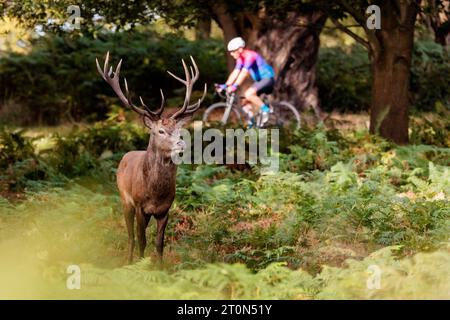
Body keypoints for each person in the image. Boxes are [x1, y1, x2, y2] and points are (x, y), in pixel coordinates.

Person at [217, 37, 275, 127]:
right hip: (260, 80)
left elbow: (243, 73)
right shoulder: (240, 59)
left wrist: (234, 86)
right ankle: (251, 122)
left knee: (248, 94)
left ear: (240, 49)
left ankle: (266, 110)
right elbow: (235, 72)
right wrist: (226, 85)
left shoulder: (250, 56)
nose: (231, 54)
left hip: (267, 79)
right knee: (244, 102)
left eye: (233, 51)